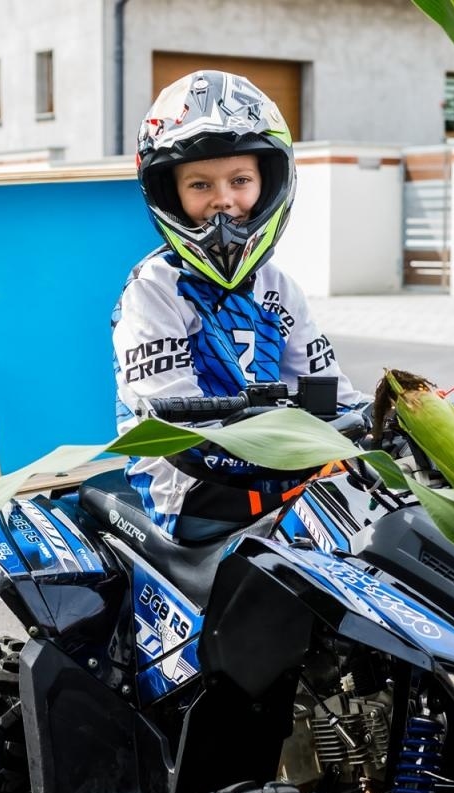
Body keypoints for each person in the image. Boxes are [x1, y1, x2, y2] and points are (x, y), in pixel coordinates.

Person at [112, 70, 363, 537]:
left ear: (270, 181)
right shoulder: (155, 289)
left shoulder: (278, 287)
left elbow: (334, 396)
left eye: (240, 180)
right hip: (189, 494)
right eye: (200, 185)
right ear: (169, 192)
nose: (223, 201)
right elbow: (174, 433)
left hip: (282, 477)